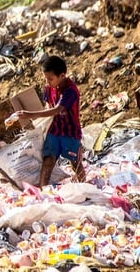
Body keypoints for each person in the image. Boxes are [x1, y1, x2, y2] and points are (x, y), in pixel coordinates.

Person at [16, 55, 85, 187]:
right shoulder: (49, 88)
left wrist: (29, 114)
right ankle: (43, 190)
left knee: (75, 162)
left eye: (51, 79)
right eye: (46, 79)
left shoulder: (70, 90)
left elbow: (56, 110)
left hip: (70, 132)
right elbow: (48, 107)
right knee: (48, 160)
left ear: (62, 76)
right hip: (54, 130)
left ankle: (85, 188)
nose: (48, 82)